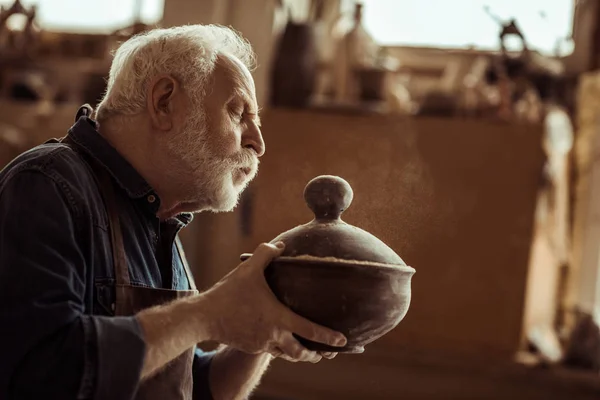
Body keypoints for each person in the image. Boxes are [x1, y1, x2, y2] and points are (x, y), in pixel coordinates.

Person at [0, 25, 348, 400]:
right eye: (238, 112)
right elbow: (38, 374)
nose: (258, 143)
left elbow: (189, 384)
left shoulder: (159, 216)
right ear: (164, 102)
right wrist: (206, 313)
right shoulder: (48, 184)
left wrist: (265, 327)